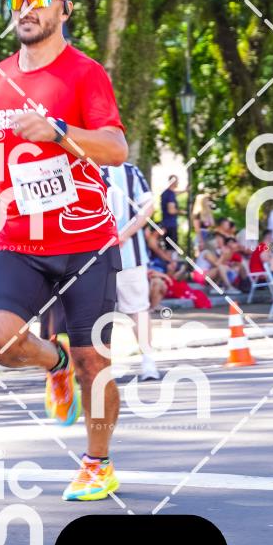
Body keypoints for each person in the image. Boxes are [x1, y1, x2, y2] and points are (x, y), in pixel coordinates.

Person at [0, 0, 127, 502]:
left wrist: (59, 131)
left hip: (86, 243)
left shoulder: (85, 73)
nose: (26, 8)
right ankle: (54, 364)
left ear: (65, 9)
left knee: (93, 361)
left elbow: (116, 148)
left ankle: (98, 463)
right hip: (21, 241)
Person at [104, 162, 160, 381]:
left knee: (96, 312)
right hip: (129, 253)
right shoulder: (129, 170)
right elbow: (148, 206)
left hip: (96, 255)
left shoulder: (82, 166)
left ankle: (100, 367)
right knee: (138, 309)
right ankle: (148, 362)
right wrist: (125, 234)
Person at [160, 176, 180, 246]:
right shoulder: (171, 194)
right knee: (172, 248)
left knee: (168, 247)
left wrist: (185, 191)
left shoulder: (166, 193)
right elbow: (171, 211)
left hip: (166, 224)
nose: (178, 183)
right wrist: (182, 212)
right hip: (171, 225)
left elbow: (176, 193)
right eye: (177, 181)